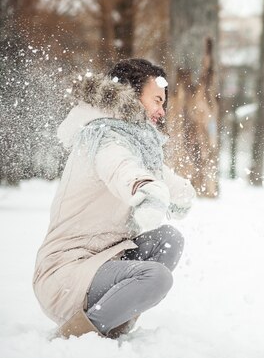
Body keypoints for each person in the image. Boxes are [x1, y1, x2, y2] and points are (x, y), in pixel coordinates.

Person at [33, 58, 196, 338]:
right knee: (156, 278)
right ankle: (75, 336)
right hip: (66, 274)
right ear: (131, 95)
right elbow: (122, 170)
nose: (161, 111)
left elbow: (160, 177)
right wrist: (146, 192)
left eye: (163, 103)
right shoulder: (102, 137)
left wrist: (181, 194)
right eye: (156, 100)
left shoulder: (134, 142)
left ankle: (112, 323)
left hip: (105, 261)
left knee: (169, 238)